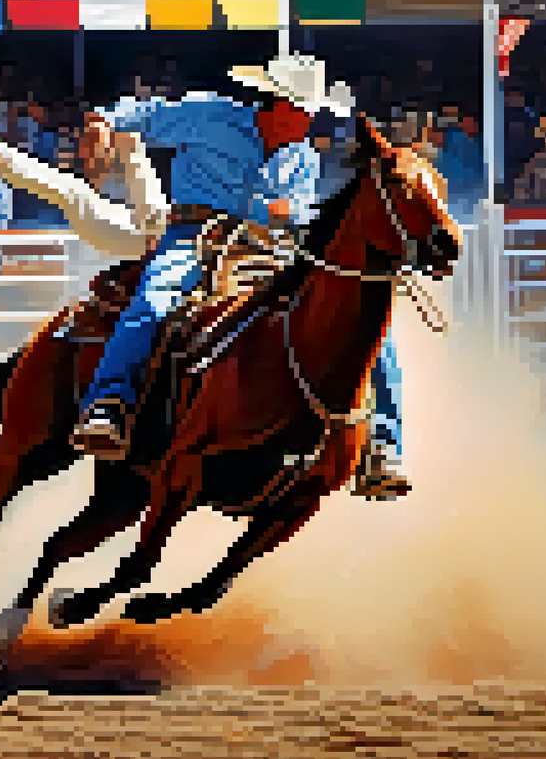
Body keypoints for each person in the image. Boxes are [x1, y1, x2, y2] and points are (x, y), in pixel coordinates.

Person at [55, 53, 408, 498]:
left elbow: (296, 215)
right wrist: (102, 122)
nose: (312, 121)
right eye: (307, 111)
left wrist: (287, 218)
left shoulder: (302, 158)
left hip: (274, 247)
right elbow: (144, 115)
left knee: (367, 323)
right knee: (156, 297)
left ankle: (384, 445)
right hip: (196, 235)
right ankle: (109, 403)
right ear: (280, 104)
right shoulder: (211, 114)